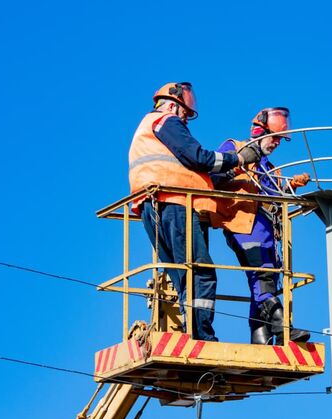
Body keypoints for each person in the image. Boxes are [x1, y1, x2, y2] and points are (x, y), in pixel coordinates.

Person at [128, 82, 262, 341]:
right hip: (174, 202)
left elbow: (198, 171)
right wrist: (240, 158)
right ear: (171, 104)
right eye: (185, 114)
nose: (186, 121)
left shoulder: (148, 131)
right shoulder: (165, 121)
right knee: (200, 272)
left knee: (183, 274)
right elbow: (199, 158)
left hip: (153, 204)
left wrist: (230, 173)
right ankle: (202, 337)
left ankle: (193, 331)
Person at [210, 107, 312, 345]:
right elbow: (212, 177)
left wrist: (290, 187)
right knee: (261, 274)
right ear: (259, 131)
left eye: (280, 139)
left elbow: (271, 197)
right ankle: (281, 327)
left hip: (267, 230)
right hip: (243, 224)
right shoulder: (234, 149)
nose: (277, 143)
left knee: (269, 278)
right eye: (274, 137)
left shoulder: (268, 167)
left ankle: (261, 336)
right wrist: (236, 166)